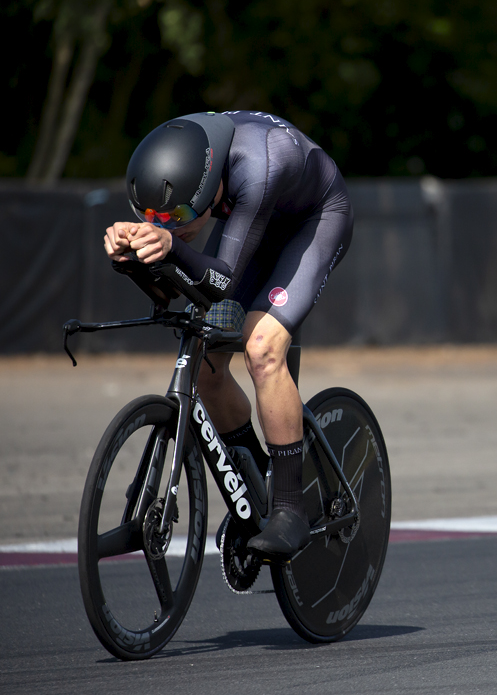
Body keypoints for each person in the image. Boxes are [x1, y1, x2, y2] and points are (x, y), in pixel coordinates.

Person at [103, 111, 353, 562]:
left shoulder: (260, 165)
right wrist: (130, 260)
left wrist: (173, 249)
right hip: (252, 218)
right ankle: (256, 478)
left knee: (261, 348)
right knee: (206, 362)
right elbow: (175, 293)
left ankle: (291, 509)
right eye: (153, 217)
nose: (168, 225)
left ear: (208, 185)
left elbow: (217, 281)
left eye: (177, 216)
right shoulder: (182, 162)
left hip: (312, 221)